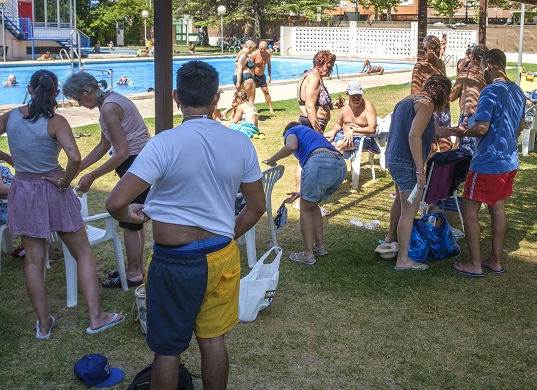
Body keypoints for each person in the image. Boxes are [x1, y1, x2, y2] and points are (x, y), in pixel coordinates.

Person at [105, 60, 265, 390]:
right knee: (212, 340)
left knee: (167, 351)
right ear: (215, 99)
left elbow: (115, 202)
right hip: (221, 256)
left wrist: (129, 216)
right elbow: (257, 206)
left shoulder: (163, 143)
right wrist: (227, 234)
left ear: (176, 96)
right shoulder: (240, 143)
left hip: (174, 261)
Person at [0, 69, 124, 338]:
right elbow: (74, 157)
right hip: (53, 188)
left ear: (29, 89)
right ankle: (96, 317)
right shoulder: (56, 121)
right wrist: (65, 181)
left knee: (33, 260)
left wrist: (8, 157)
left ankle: (43, 323)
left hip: (23, 190)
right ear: (55, 93)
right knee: (83, 252)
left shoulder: (11, 117)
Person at [62, 72, 152, 288]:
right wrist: (78, 168)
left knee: (129, 221)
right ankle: (138, 268)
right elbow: (105, 144)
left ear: (87, 91)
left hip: (135, 163)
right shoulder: (110, 102)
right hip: (140, 162)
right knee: (134, 220)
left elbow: (120, 152)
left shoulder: (110, 108)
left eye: (78, 99)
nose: (80, 104)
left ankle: (132, 274)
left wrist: (92, 176)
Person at [452, 49, 526, 278]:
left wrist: (464, 131)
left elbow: (482, 127)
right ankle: (494, 260)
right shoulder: (517, 90)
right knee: (497, 207)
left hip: (488, 162)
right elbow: (521, 126)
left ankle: (474, 264)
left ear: (488, 65)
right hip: (509, 161)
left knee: (469, 208)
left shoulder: (490, 91)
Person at [379, 74, 456, 270]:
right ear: (442, 93)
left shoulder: (409, 99)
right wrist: (420, 169)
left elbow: (436, 132)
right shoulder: (427, 104)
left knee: (399, 201)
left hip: (393, 158)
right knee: (409, 212)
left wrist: (458, 131)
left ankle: (391, 239)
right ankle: (403, 260)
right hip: (407, 163)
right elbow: (414, 135)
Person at [266, 122, 345, 265]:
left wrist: (273, 160)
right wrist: (302, 193)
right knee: (312, 206)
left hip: (320, 162)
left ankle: (308, 255)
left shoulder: (292, 130)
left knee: (305, 209)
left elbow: (291, 146)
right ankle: (319, 247)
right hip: (339, 165)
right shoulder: (311, 135)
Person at [412, 35, 452, 153]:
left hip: (443, 110)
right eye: (432, 48)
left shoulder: (441, 63)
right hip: (428, 110)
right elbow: (414, 92)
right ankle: (429, 170)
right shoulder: (420, 66)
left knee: (446, 145)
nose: (436, 51)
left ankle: (445, 170)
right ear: (425, 50)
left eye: (438, 48)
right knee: (431, 146)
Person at [450, 44, 488, 157]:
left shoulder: (465, 72)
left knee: (465, 154)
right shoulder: (489, 75)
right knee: (480, 152)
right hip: (485, 117)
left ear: (473, 56)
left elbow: (452, 97)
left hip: (469, 117)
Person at [325, 80, 379, 158]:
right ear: (347, 94)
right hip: (343, 135)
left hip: (363, 138)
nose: (356, 97)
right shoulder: (344, 106)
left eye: (358, 94)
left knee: (339, 145)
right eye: (353, 94)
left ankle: (337, 168)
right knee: (322, 139)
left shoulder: (367, 106)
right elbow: (338, 124)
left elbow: (372, 129)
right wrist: (333, 132)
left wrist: (353, 130)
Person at [297, 50, 336, 133]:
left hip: (309, 122)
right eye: (329, 67)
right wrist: (318, 131)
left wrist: (331, 106)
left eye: (332, 67)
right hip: (311, 124)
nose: (331, 70)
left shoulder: (311, 75)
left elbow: (315, 103)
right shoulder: (314, 78)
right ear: (318, 64)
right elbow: (309, 107)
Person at [250, 40, 274, 113]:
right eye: (261, 48)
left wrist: (269, 75)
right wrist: (251, 77)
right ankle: (252, 109)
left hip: (262, 76)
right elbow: (250, 66)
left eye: (264, 49)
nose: (262, 50)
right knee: (252, 94)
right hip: (254, 76)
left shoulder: (268, 54)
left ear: (266, 48)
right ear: (259, 47)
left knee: (266, 91)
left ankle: (270, 108)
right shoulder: (254, 54)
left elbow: (269, 65)